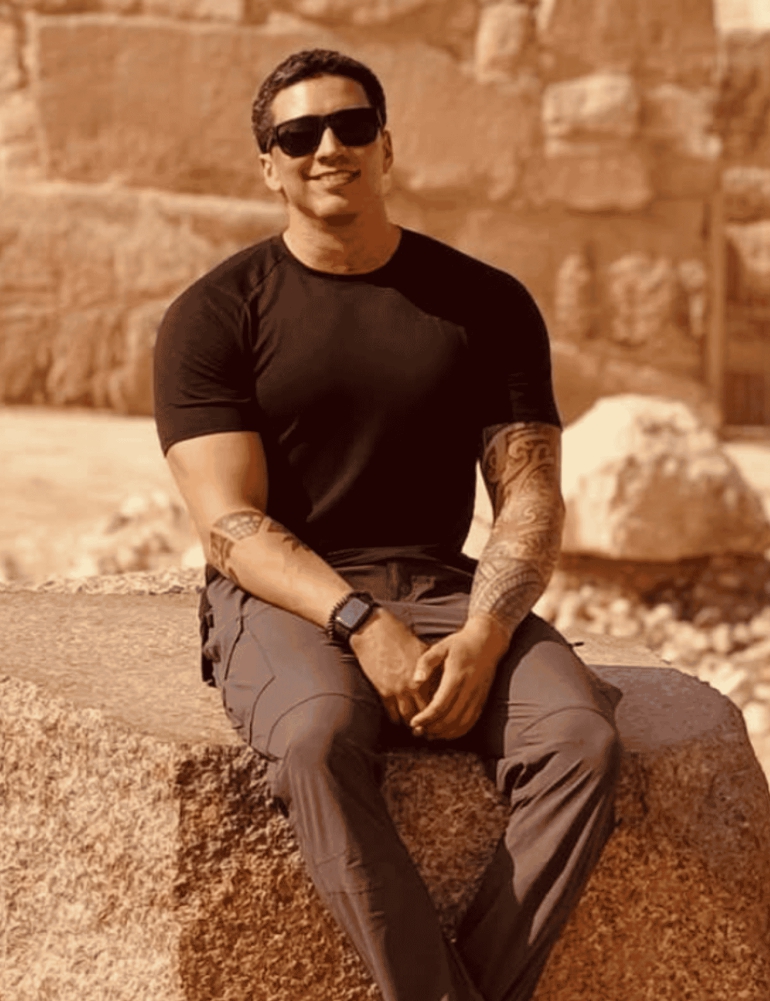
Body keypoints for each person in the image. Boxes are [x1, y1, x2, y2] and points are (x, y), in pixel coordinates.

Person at [152, 48, 621, 1001]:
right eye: (299, 135)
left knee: (581, 741)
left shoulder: (485, 303)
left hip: (446, 586)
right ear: (270, 166)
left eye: (352, 125)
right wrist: (360, 623)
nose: (329, 147)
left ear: (387, 146)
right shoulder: (215, 315)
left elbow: (530, 493)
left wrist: (487, 632)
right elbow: (229, 524)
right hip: (286, 598)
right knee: (317, 735)